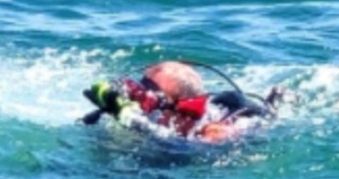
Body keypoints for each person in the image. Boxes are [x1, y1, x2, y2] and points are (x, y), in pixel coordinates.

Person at [82, 60, 288, 143]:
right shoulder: (168, 117)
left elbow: (191, 150)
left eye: (149, 101)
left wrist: (137, 123)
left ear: (176, 108)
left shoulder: (215, 130)